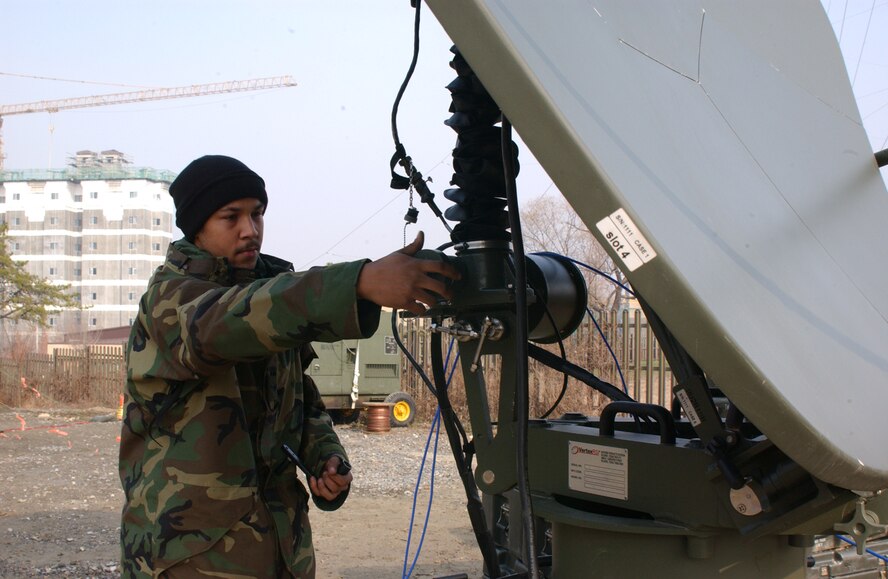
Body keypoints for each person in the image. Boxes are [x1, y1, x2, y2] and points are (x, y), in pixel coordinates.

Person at [118, 154, 459, 578]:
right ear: (197, 226)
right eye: (231, 217)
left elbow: (300, 402)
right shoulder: (170, 300)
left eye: (257, 214)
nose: (250, 229)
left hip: (281, 547)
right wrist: (359, 283)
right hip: (190, 556)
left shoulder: (267, 289)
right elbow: (230, 322)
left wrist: (326, 460)